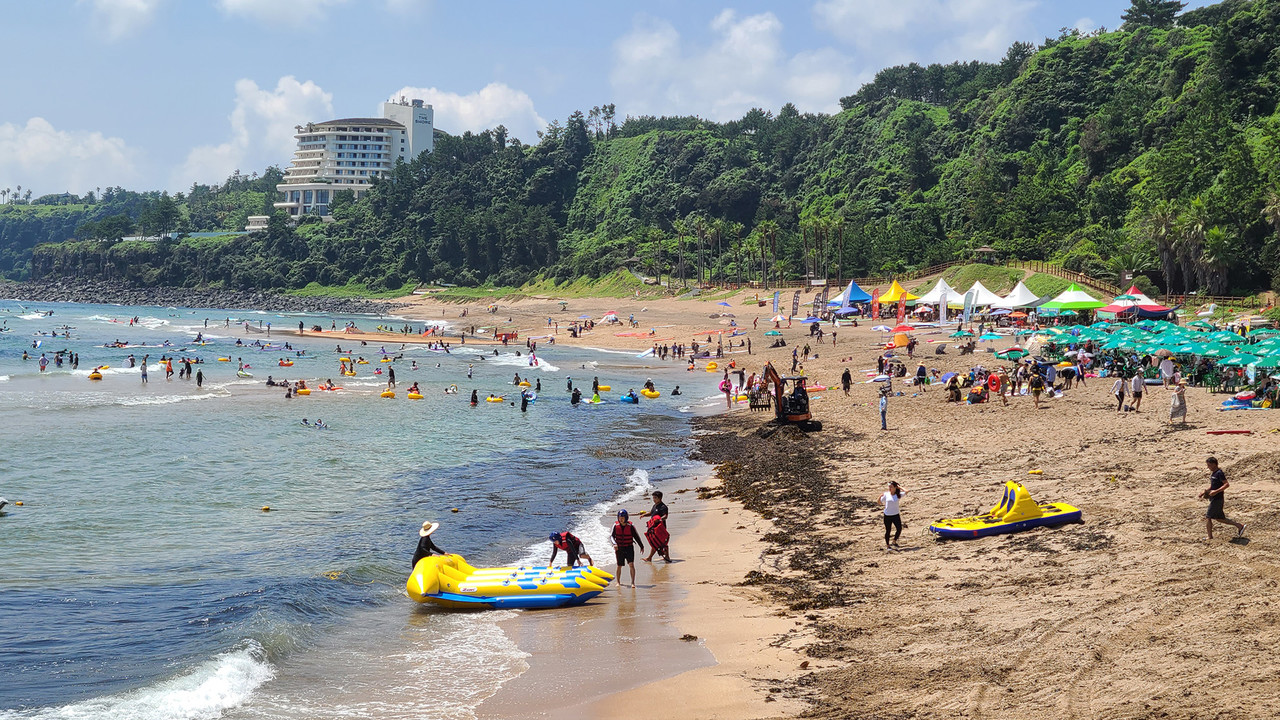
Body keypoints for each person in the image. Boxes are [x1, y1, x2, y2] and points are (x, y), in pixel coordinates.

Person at [1200, 457, 1245, 541]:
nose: (1208, 467)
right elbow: (1213, 486)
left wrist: (1216, 491)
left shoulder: (1219, 473)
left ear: (1214, 464)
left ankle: (1209, 537)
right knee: (1219, 519)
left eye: (1209, 465)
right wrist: (1204, 492)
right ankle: (1239, 526)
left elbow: (1226, 484)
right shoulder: (1213, 473)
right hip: (1214, 499)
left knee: (1208, 517)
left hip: (1217, 499)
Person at [611, 510, 645, 588]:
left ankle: (633, 582)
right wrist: (614, 544)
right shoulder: (615, 526)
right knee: (619, 565)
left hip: (629, 547)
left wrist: (641, 546)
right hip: (619, 548)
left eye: (622, 518)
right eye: (620, 518)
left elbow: (636, 536)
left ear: (626, 518)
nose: (621, 519)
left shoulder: (631, 526)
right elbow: (612, 536)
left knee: (631, 564)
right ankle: (618, 582)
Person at [639, 491, 671, 562]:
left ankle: (666, 556)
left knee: (662, 542)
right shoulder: (655, 505)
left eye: (655, 498)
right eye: (653, 497)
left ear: (660, 498)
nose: (654, 499)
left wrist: (659, 520)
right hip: (654, 527)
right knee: (655, 542)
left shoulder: (663, 507)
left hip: (660, 527)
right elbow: (651, 513)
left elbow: (665, 516)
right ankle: (650, 557)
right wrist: (644, 515)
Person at [879, 481, 906, 550]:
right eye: (889, 487)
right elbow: (879, 503)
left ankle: (894, 541)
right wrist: (879, 497)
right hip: (887, 515)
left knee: (899, 529)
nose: (889, 488)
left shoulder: (898, 494)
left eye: (891, 487)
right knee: (888, 530)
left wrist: (899, 487)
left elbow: (907, 491)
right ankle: (888, 545)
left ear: (895, 488)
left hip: (896, 515)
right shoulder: (886, 494)